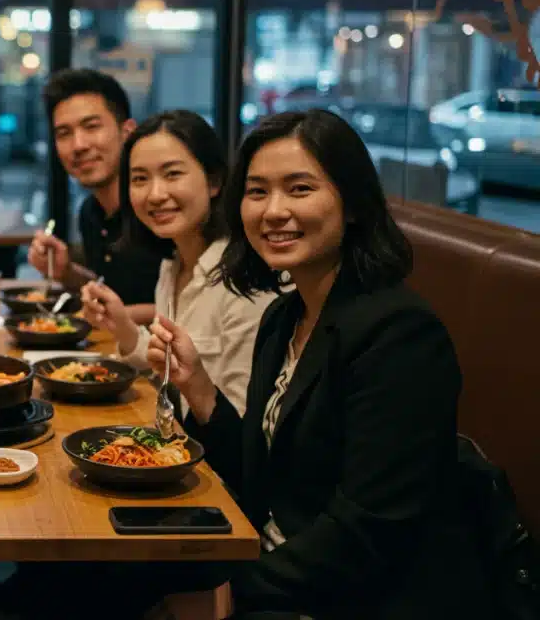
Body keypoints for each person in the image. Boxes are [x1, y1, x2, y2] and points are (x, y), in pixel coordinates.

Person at [148, 110, 485, 618]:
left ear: (351, 204)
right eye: (257, 191)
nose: (273, 211)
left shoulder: (399, 336)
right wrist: (198, 387)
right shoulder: (286, 316)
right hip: (280, 568)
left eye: (299, 189)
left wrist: (236, 590)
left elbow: (370, 531)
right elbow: (257, 477)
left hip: (353, 598)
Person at [81, 110, 276, 418]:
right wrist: (122, 325)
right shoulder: (172, 267)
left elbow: (244, 420)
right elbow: (169, 362)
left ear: (214, 181)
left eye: (172, 174)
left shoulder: (244, 281)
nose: (156, 194)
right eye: (140, 179)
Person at [27, 68, 163, 323]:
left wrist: (112, 316)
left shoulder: (158, 207)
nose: (79, 145)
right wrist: (66, 271)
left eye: (91, 127)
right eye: (64, 134)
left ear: (127, 132)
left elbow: (192, 307)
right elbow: (112, 293)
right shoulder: (91, 212)